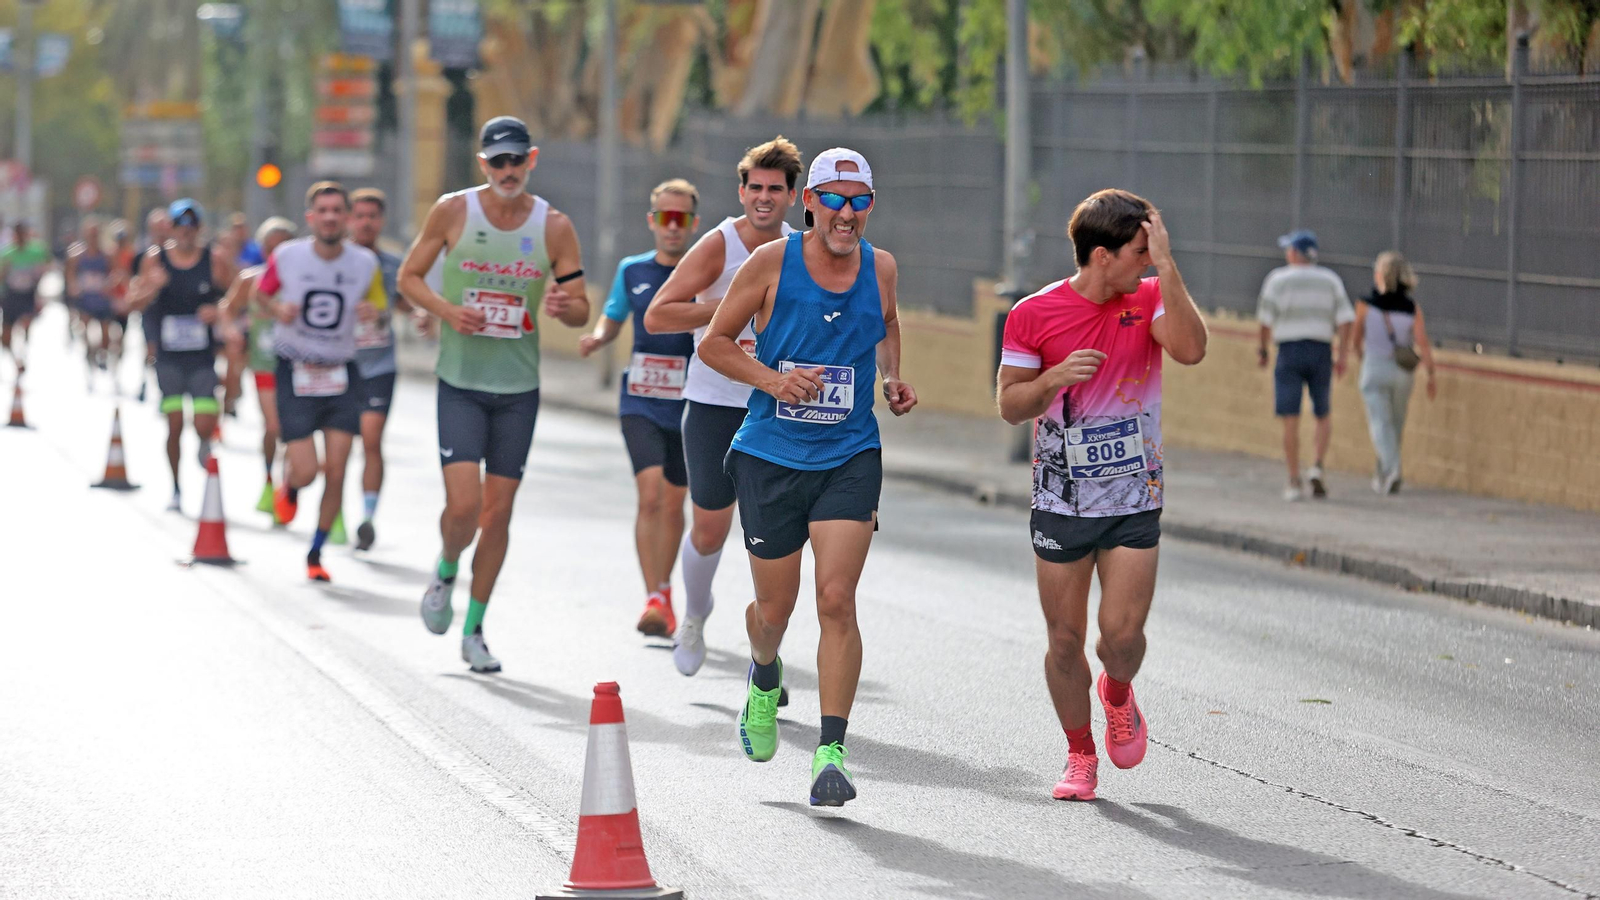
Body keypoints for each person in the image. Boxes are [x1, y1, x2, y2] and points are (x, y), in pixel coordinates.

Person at [702, 148, 917, 807]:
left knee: (835, 599)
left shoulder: (881, 267)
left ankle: (831, 751)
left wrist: (890, 377)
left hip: (849, 453)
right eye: (835, 198)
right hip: (770, 454)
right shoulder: (772, 263)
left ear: (870, 205)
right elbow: (714, 342)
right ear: (811, 203)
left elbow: (885, 322)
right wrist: (773, 380)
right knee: (774, 610)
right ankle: (764, 677)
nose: (846, 213)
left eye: (860, 200)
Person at [997, 189, 1207, 802]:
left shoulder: (1147, 299)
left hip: (1134, 499)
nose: (1147, 263)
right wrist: (1054, 379)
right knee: (1064, 639)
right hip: (1061, 501)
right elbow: (1010, 405)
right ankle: (1080, 753)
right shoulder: (1034, 314)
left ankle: (1118, 691)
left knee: (1120, 638)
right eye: (1141, 252)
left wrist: (1167, 268)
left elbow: (1192, 350)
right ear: (1100, 254)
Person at [400, 115, 590, 673]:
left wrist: (564, 307)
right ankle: (446, 569)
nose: (508, 170)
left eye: (517, 160)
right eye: (497, 161)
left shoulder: (554, 226)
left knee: (497, 512)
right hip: (460, 382)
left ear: (531, 161)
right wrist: (446, 311)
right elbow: (409, 277)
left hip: (517, 389)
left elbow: (579, 309)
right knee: (463, 506)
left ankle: (475, 627)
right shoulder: (454, 211)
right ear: (483, 164)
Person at [642, 135, 803, 673]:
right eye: (754, 187)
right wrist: (726, 307)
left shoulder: (799, 251)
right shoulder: (718, 246)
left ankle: (767, 656)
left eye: (774, 189)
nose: (764, 197)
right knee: (710, 528)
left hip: (773, 409)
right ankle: (694, 615)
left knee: (772, 542)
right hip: (712, 405)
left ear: (791, 196)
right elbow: (658, 316)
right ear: (740, 192)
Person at [578, 178, 700, 632]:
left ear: (693, 223)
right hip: (641, 402)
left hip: (689, 405)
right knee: (649, 497)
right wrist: (597, 337)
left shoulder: (703, 271)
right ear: (652, 221)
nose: (672, 227)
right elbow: (612, 315)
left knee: (673, 505)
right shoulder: (633, 270)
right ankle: (653, 597)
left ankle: (665, 591)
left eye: (681, 219)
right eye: (665, 218)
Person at [257, 183, 383, 582]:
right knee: (308, 470)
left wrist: (373, 314)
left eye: (337, 210)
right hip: (296, 369)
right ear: (311, 217)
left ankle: (316, 551)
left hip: (341, 372)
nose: (330, 217)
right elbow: (260, 295)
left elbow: (379, 309)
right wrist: (277, 308)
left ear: (346, 218)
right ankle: (291, 485)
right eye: (322, 210)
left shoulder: (365, 263)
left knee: (338, 468)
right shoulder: (287, 256)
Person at [124, 200, 235, 512]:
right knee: (173, 425)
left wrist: (218, 311)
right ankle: (175, 487)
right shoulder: (154, 260)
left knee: (203, 422)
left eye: (191, 229)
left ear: (199, 230)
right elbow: (132, 303)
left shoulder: (214, 260)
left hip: (202, 357)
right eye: (180, 229)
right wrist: (151, 289)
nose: (185, 235)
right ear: (170, 230)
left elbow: (234, 297)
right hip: (169, 357)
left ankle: (203, 441)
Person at [1256, 229, 1354, 502]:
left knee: (1291, 416)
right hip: (1321, 350)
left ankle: (1293, 480)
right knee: (1322, 411)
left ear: (1295, 254)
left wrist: (1263, 350)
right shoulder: (1330, 279)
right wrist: (1343, 354)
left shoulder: (1277, 279)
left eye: (1289, 249)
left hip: (1289, 350)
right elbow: (1346, 319)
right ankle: (1318, 467)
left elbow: (1265, 319)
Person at [219, 217, 297, 518]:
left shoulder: (303, 280)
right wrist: (232, 330)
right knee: (274, 427)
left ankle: (286, 486)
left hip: (297, 365)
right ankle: (268, 479)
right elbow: (228, 308)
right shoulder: (251, 279)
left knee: (294, 430)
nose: (276, 253)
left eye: (283, 247)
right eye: (270, 247)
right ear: (262, 249)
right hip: (264, 363)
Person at [348, 187, 409, 551]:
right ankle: (332, 514)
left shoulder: (392, 265)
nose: (367, 222)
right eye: (360, 215)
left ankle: (368, 517)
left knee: (371, 440)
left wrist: (396, 313)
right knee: (336, 448)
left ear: (381, 221)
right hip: (339, 364)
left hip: (379, 364)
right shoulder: (335, 260)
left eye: (373, 216)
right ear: (349, 220)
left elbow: (408, 303)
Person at [1353, 251, 1437, 495]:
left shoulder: (1365, 304)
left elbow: (1356, 340)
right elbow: (1422, 342)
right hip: (1403, 372)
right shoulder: (1411, 308)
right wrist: (1431, 374)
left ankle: (1392, 469)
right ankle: (1385, 473)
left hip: (1374, 367)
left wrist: (1363, 358)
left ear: (1378, 274)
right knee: (1395, 424)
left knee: (1380, 423)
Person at [66, 217, 119, 378]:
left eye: (95, 233)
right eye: (90, 233)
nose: (93, 237)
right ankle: (88, 353)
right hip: (85, 299)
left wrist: (109, 285)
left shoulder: (108, 254)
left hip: (102, 300)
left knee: (105, 334)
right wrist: (74, 287)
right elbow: (70, 275)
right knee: (84, 328)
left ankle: (102, 354)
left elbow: (116, 273)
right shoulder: (77, 255)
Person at [134, 208, 174, 403]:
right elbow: (137, 289)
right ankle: (152, 384)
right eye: (157, 228)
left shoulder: (182, 252)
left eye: (164, 227)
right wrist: (151, 287)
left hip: (175, 312)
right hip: (153, 311)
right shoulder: (148, 256)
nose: (161, 232)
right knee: (152, 350)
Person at [1, 220, 52, 370]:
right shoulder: (6, 253)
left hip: (28, 295)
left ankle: (23, 354)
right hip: (10, 295)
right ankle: (14, 359)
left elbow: (48, 264)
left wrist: (40, 272)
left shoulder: (37, 250)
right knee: (6, 336)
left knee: (26, 323)